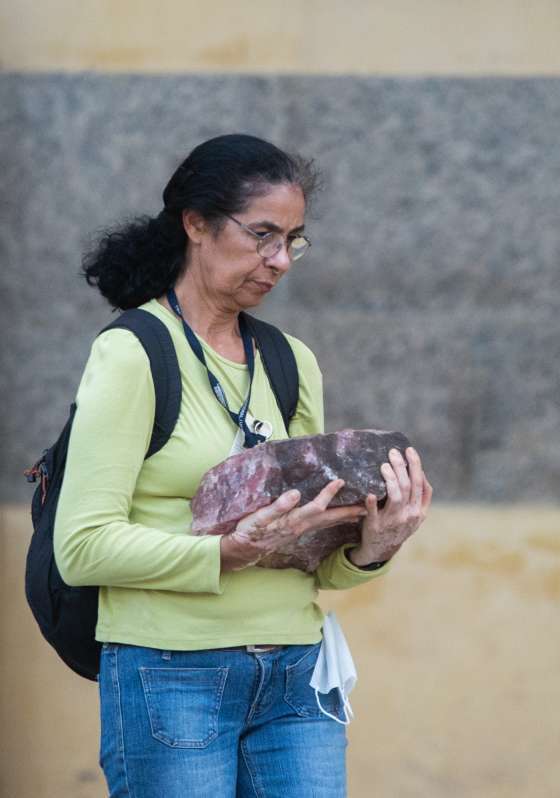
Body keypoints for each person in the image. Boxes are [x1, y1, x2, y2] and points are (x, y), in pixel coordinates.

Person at [54, 133, 432, 797]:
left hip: (297, 672)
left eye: (293, 240)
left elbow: (309, 548)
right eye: (262, 234)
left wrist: (372, 547)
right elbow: (81, 548)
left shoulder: (291, 360)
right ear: (195, 224)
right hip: (171, 672)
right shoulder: (134, 352)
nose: (280, 259)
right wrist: (223, 553)